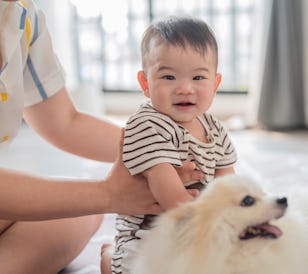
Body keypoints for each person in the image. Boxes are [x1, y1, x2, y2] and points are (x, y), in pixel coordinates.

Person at [0, 1, 202, 273]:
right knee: (89, 200)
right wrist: (109, 194)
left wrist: (157, 152)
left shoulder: (23, 16)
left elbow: (64, 122)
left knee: (81, 213)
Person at [105, 15, 237, 274]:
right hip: (149, 236)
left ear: (215, 83)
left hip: (199, 228)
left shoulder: (214, 128)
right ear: (145, 83)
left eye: (198, 78)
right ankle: (111, 258)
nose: (185, 88)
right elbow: (172, 198)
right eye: (168, 77)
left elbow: (228, 183)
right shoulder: (147, 124)